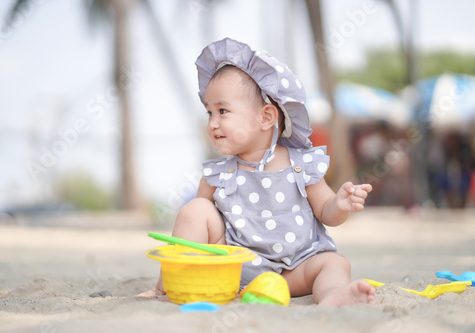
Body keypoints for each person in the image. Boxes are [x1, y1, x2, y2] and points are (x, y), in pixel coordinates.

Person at [138, 38, 375, 306]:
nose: (213, 123)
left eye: (222, 111)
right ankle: (173, 283)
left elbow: (327, 213)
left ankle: (334, 296)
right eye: (209, 113)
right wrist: (166, 278)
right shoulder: (219, 174)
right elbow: (193, 229)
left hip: (295, 270)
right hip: (235, 272)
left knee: (334, 263)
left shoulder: (300, 165)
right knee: (195, 209)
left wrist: (339, 204)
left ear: (266, 117)